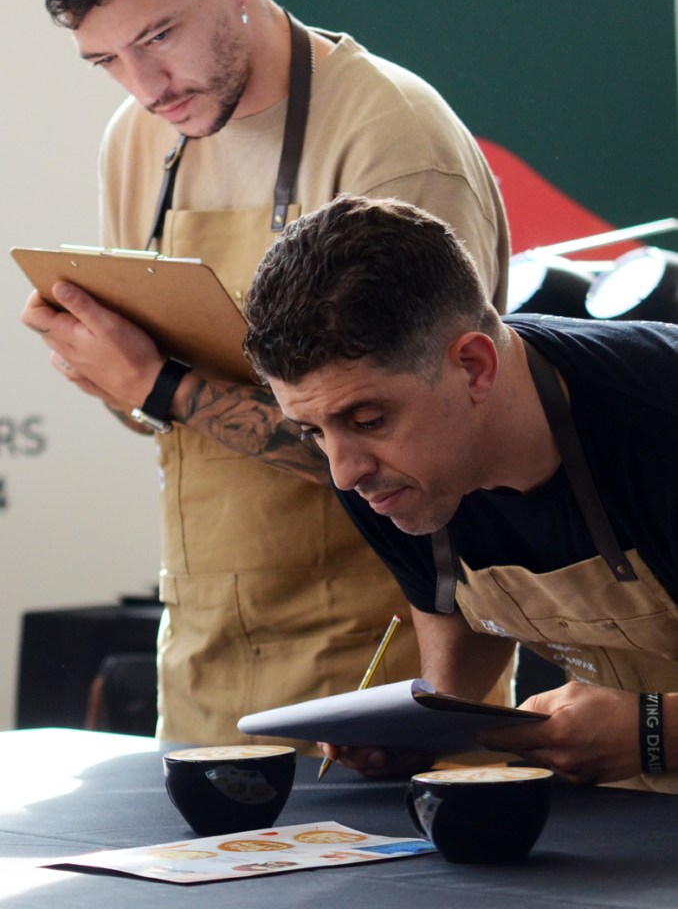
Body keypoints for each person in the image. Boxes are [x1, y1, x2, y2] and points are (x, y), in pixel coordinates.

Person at [21, 0, 511, 745]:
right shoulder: (137, 141)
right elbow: (159, 422)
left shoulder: (390, 143)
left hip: (382, 667)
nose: (144, 87)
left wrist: (158, 383)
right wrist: (113, 374)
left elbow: (439, 461)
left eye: (157, 37)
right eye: (105, 61)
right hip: (205, 661)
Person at [243, 192, 678, 792]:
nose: (344, 472)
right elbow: (452, 610)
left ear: (473, 366)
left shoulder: (658, 418)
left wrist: (657, 732)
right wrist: (427, 727)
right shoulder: (379, 469)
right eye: (313, 430)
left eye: (369, 419)